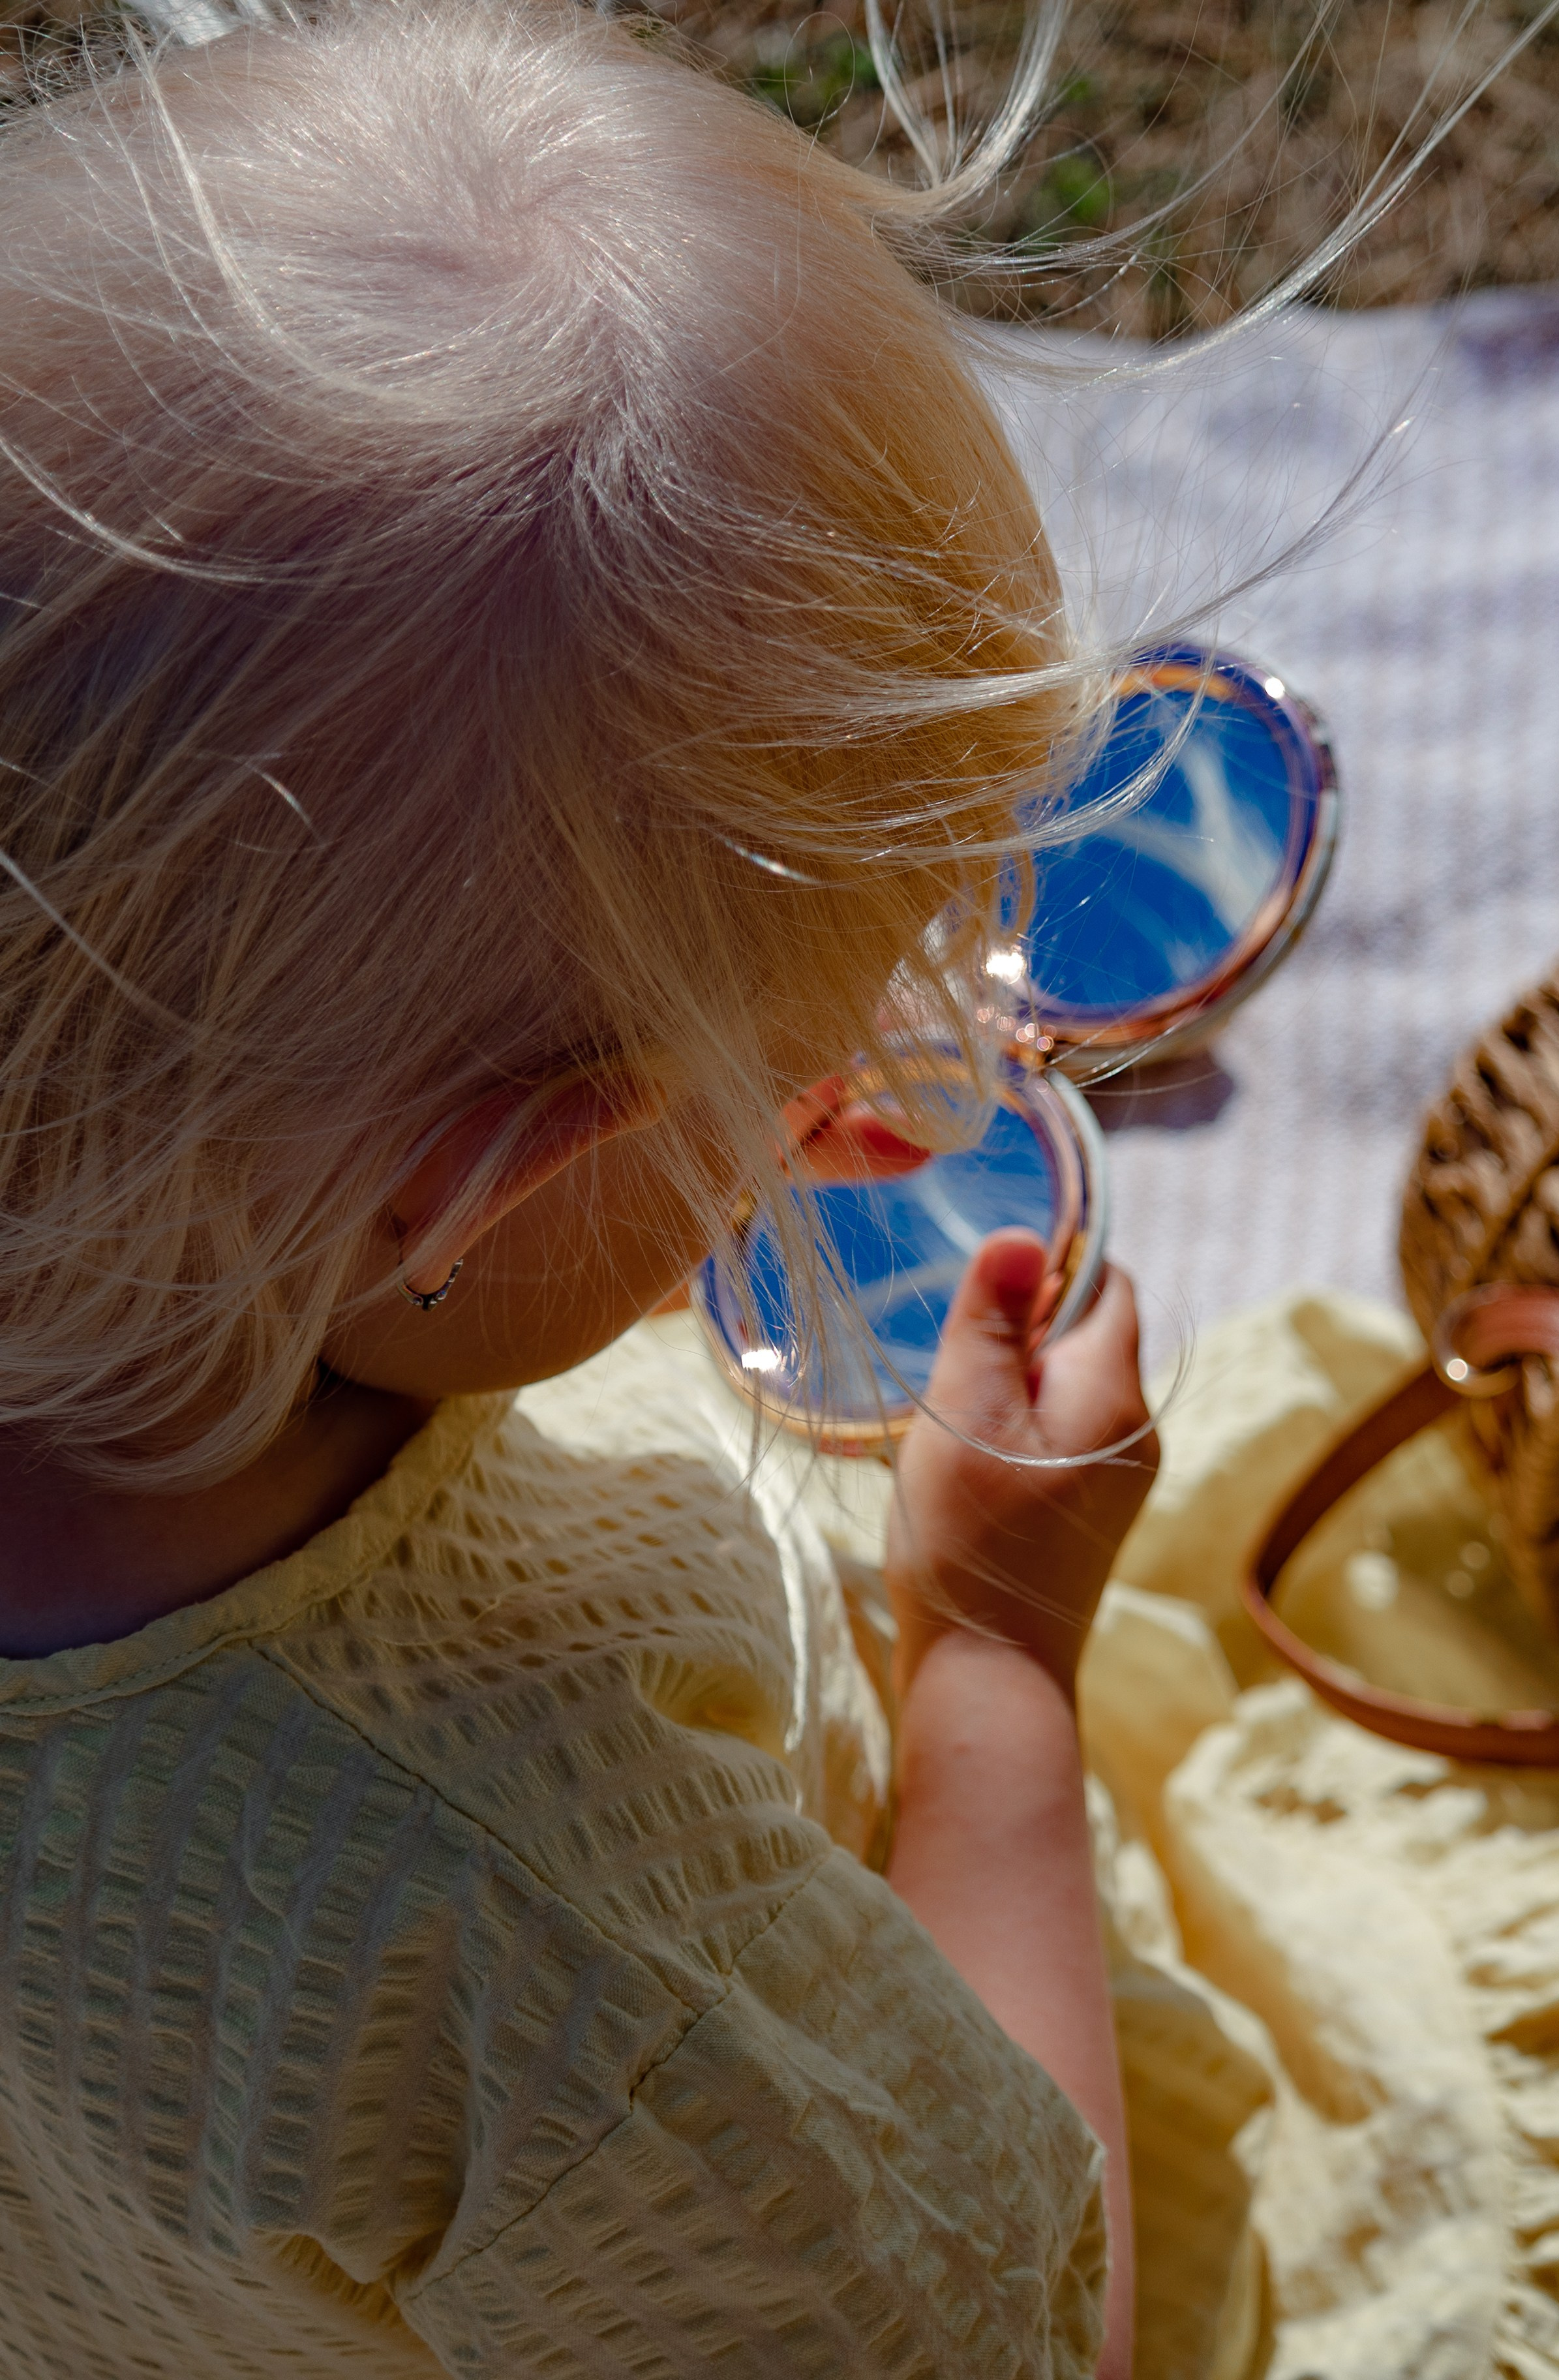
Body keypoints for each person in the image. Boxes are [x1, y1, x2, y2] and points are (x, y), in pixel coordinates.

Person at [0, 4, 1158, 2372]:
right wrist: (1001, 1688)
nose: (888, 1102)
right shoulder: (548, 1945)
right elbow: (1008, 2340)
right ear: (476, 1202)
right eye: (783, 1086)